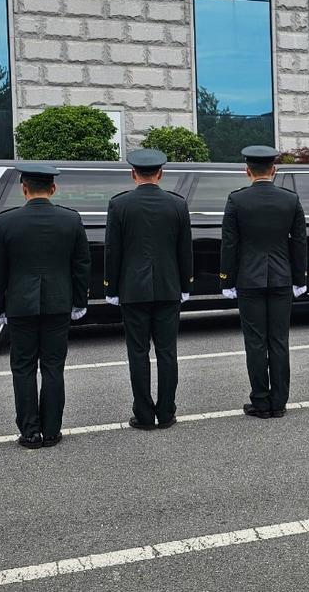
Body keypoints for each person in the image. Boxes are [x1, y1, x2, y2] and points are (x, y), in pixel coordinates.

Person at [0, 164, 92, 450]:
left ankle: (29, 431)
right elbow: (81, 266)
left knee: (22, 368)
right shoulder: (70, 220)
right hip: (58, 302)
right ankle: (52, 430)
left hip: (20, 304)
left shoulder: (6, 222)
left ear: (24, 189)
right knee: (53, 367)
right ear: (53, 188)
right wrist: (79, 301)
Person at [104, 148, 194, 431]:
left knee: (138, 353)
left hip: (133, 289)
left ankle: (143, 415)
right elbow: (185, 251)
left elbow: (112, 251)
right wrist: (185, 284)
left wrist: (112, 287)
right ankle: (166, 413)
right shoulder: (177, 205)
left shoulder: (119, 205)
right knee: (167, 352)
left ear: (133, 174)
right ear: (161, 174)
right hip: (169, 288)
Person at [221, 146, 308, 418]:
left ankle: (260, 400)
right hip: (282, 278)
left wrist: (227, 279)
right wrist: (299, 278)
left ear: (247, 170)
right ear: (274, 170)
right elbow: (300, 243)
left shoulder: (237, 200)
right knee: (279, 341)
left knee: (256, 342)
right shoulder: (290, 199)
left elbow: (229, 244)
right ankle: (279, 401)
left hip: (249, 280)